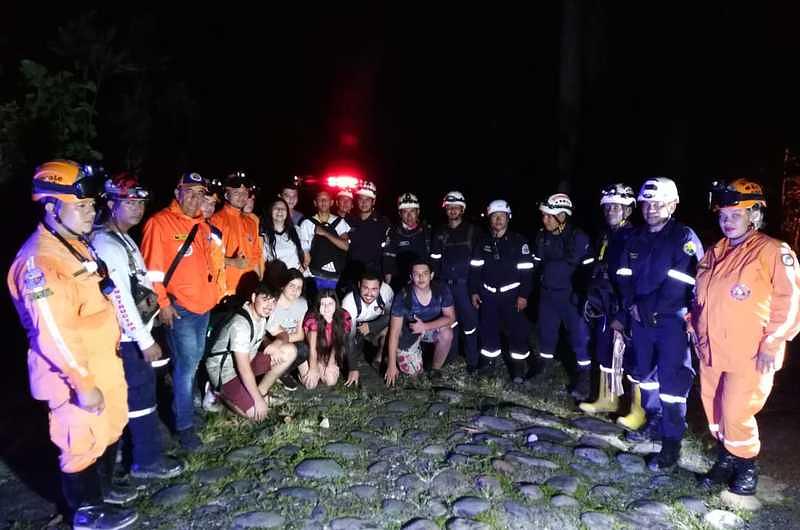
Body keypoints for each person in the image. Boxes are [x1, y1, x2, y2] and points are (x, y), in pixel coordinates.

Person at [7, 160, 138, 529]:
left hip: (103, 362)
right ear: (51, 207)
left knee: (111, 428)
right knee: (80, 442)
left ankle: (103, 492)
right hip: (73, 373)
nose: (90, 212)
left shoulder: (74, 246)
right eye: (80, 206)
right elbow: (53, 332)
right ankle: (87, 511)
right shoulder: (40, 262)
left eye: (91, 205)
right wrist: (82, 381)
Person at [693, 179, 800, 495]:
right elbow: (699, 294)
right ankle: (726, 458)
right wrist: (692, 322)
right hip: (712, 348)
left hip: (752, 352)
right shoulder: (715, 251)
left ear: (754, 215)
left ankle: (746, 467)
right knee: (714, 409)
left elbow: (791, 300)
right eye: (723, 215)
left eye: (735, 214)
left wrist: (773, 341)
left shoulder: (773, 251)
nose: (727, 221)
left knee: (736, 410)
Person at [92, 174, 185, 480]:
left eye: (141, 202)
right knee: (140, 397)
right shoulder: (106, 243)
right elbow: (119, 297)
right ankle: (145, 460)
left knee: (136, 396)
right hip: (127, 338)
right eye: (130, 202)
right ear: (110, 204)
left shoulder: (123, 238)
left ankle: (128, 457)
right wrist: (144, 339)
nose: (138, 208)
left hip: (135, 331)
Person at [614, 177, 703, 471]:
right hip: (640, 320)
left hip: (671, 322)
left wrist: (647, 308)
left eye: (658, 203)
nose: (651, 208)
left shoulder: (683, 238)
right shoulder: (635, 238)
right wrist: (630, 305)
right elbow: (624, 275)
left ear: (673, 204)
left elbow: (684, 282)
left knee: (672, 381)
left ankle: (671, 443)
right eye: (646, 203)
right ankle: (653, 420)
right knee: (642, 373)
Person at [141, 172, 218, 450]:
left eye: (201, 194)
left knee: (193, 361)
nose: (195, 199)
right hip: (179, 309)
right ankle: (184, 426)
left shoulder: (203, 226)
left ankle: (187, 409)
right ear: (178, 192)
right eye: (191, 192)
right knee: (185, 367)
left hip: (203, 306)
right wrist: (163, 303)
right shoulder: (159, 223)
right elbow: (150, 271)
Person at [580, 184, 637, 415]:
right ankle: (606, 399)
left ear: (628, 210)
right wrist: (590, 295)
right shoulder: (605, 235)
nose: (611, 210)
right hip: (602, 303)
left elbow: (633, 279)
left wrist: (623, 314)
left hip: (622, 306)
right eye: (608, 206)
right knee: (603, 350)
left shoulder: (633, 238)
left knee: (625, 356)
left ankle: (635, 408)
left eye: (617, 206)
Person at [205, 283, 297, 421]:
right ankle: (217, 392)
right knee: (256, 414)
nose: (269, 306)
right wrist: (258, 401)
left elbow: (283, 334)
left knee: (289, 351)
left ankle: (262, 392)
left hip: (248, 360)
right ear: (254, 297)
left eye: (273, 301)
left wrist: (276, 343)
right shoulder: (240, 325)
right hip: (225, 372)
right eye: (265, 299)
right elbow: (243, 368)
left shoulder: (264, 314)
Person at [533, 193, 594, 398]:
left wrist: (585, 296)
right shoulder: (542, 236)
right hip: (548, 295)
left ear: (562, 215)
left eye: (549, 216)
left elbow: (582, 269)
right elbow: (538, 264)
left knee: (578, 336)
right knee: (546, 333)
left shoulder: (578, 237)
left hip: (570, 296)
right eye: (543, 215)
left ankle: (584, 378)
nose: (545, 220)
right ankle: (543, 368)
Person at [469, 200, 535, 381]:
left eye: (502, 216)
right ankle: (489, 365)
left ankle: (518, 369)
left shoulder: (519, 241)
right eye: (494, 216)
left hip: (512, 296)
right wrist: (474, 291)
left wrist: (524, 295)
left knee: (517, 333)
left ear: (508, 218)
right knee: (488, 331)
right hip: (488, 296)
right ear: (490, 219)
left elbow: (527, 272)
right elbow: (475, 269)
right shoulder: (482, 242)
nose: (498, 219)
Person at [430, 191, 482, 371]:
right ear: (446, 210)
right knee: (448, 323)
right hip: (445, 286)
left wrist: (475, 289)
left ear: (462, 209)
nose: (452, 210)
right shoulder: (439, 232)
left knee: (470, 325)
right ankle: (449, 359)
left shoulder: (473, 231)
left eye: (456, 207)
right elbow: (434, 260)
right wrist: (434, 285)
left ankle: (472, 361)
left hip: (465, 285)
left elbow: (478, 263)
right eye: (449, 207)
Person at [385, 260, 456, 386]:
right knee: (416, 378)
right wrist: (391, 365)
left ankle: (435, 370)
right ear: (411, 277)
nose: (421, 277)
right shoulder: (403, 296)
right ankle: (407, 358)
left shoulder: (441, 289)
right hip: (410, 332)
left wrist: (425, 326)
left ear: (431, 275)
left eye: (425, 273)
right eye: (417, 274)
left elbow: (450, 318)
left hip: (430, 328)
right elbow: (394, 333)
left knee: (447, 333)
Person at [212, 172, 263, 296]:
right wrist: (232, 262)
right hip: (225, 291)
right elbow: (207, 256)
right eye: (236, 193)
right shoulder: (216, 220)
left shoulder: (251, 222)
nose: (241, 196)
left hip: (249, 289)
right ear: (226, 195)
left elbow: (256, 256)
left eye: (245, 193)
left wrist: (258, 285)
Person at [299, 289, 360, 388]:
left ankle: (324, 368)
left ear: (336, 304)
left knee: (330, 380)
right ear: (318, 305)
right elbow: (312, 348)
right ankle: (302, 367)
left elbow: (338, 343)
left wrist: (330, 363)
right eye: (323, 304)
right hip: (313, 351)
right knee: (310, 384)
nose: (327, 308)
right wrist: (313, 367)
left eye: (330, 303)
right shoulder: (313, 319)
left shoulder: (344, 316)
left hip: (330, 352)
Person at [299, 189, 351, 292]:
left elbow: (346, 246)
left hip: (335, 276)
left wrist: (325, 233)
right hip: (314, 275)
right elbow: (305, 253)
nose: (323, 202)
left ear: (331, 202)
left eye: (326, 200)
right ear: (315, 203)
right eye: (320, 200)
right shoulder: (306, 223)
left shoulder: (340, 222)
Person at [266, 268, 309, 391]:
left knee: (303, 349)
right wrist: (283, 337)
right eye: (291, 286)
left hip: (287, 342)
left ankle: (282, 372)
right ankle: (273, 373)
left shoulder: (302, 304)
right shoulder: (272, 304)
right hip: (273, 345)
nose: (295, 291)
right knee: (300, 348)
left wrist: (282, 336)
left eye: (299, 287)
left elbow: (300, 335)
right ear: (282, 286)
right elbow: (270, 335)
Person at [342, 181, 390, 289]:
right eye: (361, 199)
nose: (364, 203)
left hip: (374, 276)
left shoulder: (383, 222)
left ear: (374, 201)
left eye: (367, 199)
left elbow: (389, 251)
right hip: (352, 275)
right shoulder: (349, 220)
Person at [341, 271, 395, 367]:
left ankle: (379, 358)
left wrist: (371, 326)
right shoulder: (349, 301)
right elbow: (349, 337)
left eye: (374, 289)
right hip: (356, 326)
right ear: (359, 285)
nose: (369, 294)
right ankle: (359, 350)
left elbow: (393, 316)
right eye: (365, 288)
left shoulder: (386, 291)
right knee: (345, 354)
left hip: (377, 324)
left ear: (381, 287)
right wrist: (353, 368)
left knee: (393, 328)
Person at [383, 193, 431, 292]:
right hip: (400, 283)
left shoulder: (428, 231)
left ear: (418, 212)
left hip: (423, 282)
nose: (409, 215)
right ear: (400, 213)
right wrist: (388, 288)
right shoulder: (393, 232)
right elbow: (388, 259)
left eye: (412, 211)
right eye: (405, 212)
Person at [263, 197, 307, 276]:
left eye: (283, 209)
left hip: (296, 279)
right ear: (270, 211)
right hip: (276, 280)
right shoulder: (264, 235)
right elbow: (262, 261)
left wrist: (299, 272)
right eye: (276, 208)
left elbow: (307, 256)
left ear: (287, 213)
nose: (280, 210)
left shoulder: (297, 230)